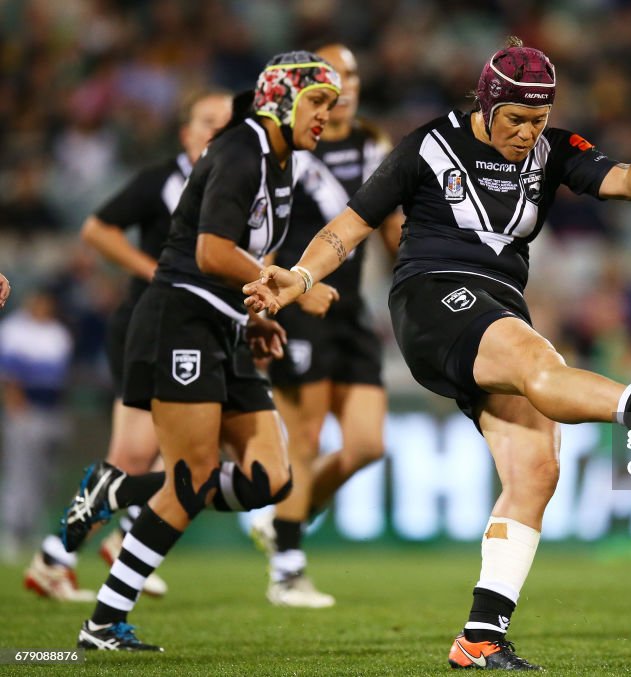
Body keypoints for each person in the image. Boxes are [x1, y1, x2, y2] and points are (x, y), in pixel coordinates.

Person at [244, 37, 631, 670]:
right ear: (486, 104)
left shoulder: (553, 148)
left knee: (536, 473)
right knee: (538, 364)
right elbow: (350, 225)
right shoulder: (429, 145)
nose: (529, 133)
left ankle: (481, 636)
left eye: (539, 119)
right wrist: (301, 277)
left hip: (498, 309)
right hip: (432, 298)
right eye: (517, 120)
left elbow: (627, 184)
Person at [66, 51, 341, 652]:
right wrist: (291, 289)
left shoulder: (282, 159)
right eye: (318, 102)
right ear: (283, 98)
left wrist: (254, 314)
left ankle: (117, 494)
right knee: (188, 483)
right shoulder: (242, 150)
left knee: (270, 478)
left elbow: (242, 258)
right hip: (181, 319)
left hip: (225, 325)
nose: (327, 115)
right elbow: (214, 251)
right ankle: (103, 623)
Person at [23, 89, 232, 603]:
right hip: (152, 322)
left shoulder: (236, 181)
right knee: (133, 456)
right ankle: (59, 554)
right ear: (184, 132)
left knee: (196, 451)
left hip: (200, 329)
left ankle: (103, 541)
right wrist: (155, 271)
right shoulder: (163, 179)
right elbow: (96, 229)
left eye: (226, 122)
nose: (217, 130)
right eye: (207, 121)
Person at [248, 43, 401, 609]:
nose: (350, 84)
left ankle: (293, 513)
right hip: (301, 309)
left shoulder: (374, 145)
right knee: (305, 438)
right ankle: (287, 571)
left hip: (351, 311)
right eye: (337, 76)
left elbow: (393, 227)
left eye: (356, 73)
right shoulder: (286, 149)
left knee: (366, 444)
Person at [0, 288, 72, 563]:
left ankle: (33, 530)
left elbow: (59, 377)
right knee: (20, 473)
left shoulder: (57, 332)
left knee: (46, 476)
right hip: (25, 409)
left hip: (52, 410)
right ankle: (12, 532)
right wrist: (17, 410)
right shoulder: (14, 330)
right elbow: (9, 377)